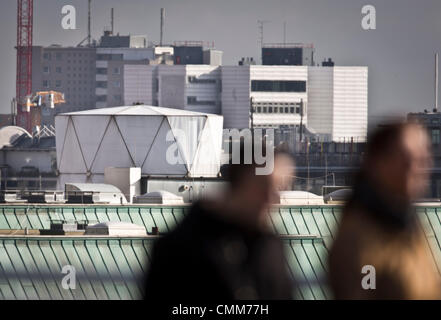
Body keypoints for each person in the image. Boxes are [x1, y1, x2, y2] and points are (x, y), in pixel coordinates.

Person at [144, 142, 295, 300]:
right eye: (264, 186)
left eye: (280, 187)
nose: (271, 198)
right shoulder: (177, 250)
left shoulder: (271, 247)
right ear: (239, 181)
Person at [329, 122, 441, 299]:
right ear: (380, 163)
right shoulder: (360, 239)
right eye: (409, 158)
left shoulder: (407, 224)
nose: (422, 167)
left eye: (425, 157)